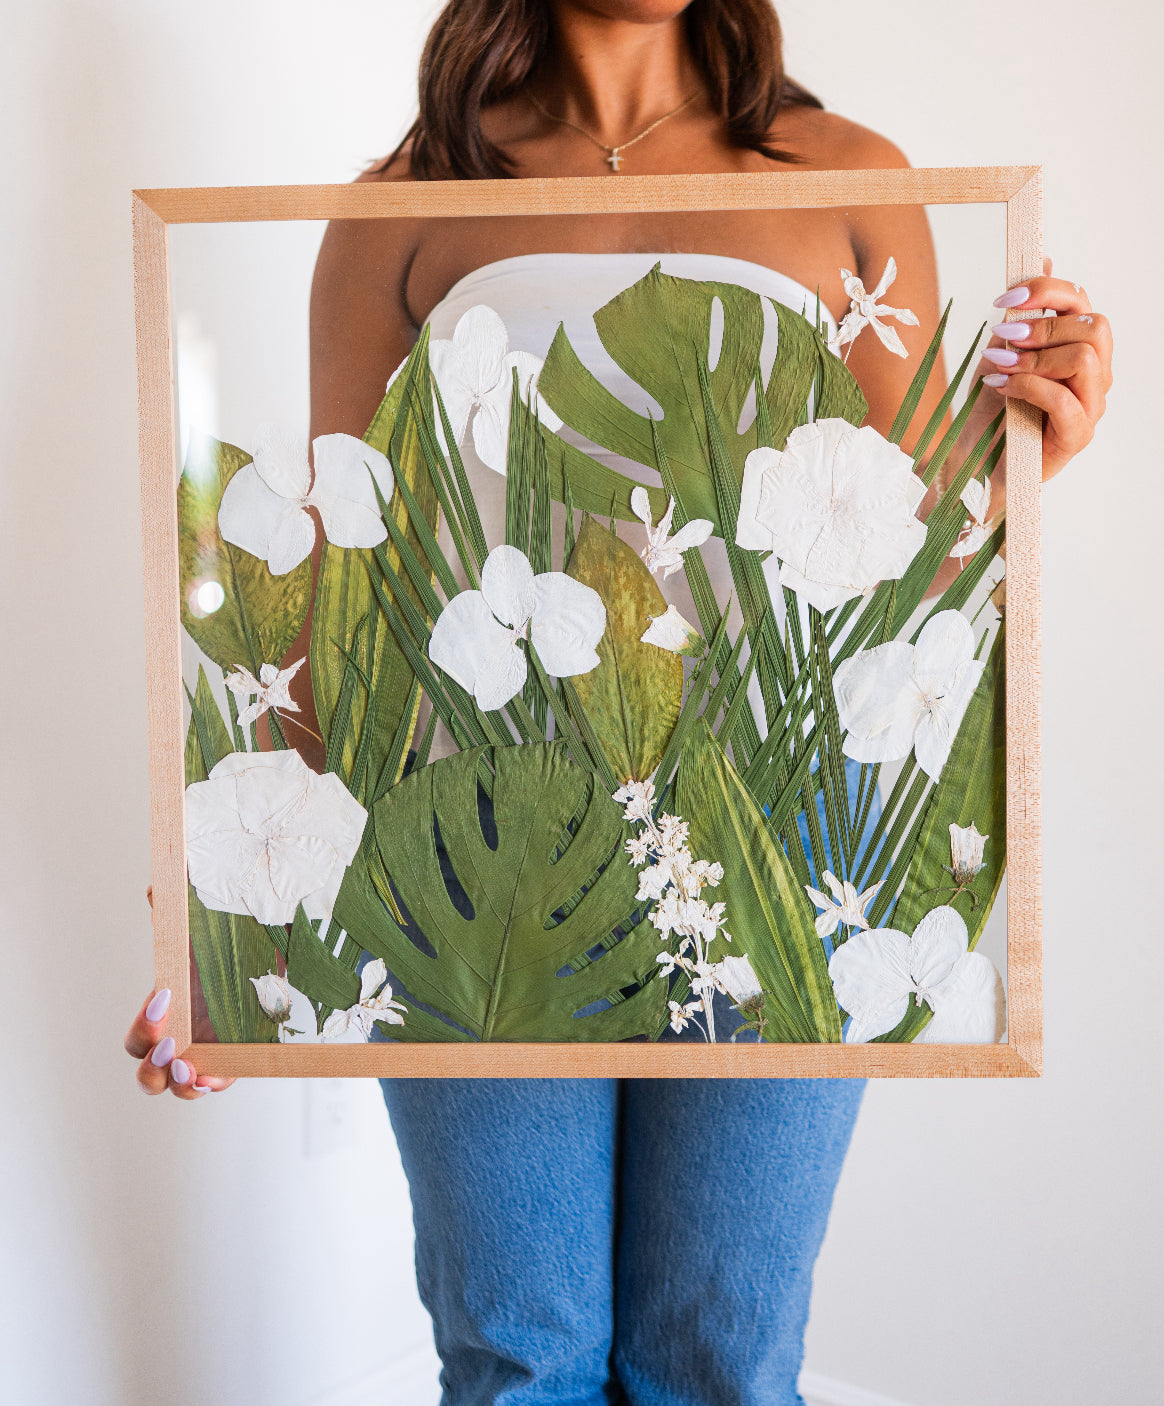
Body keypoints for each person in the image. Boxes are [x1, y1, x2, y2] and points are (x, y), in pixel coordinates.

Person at [126, 2, 1112, 1401]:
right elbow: (338, 615)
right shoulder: (398, 209)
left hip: (781, 840)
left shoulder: (850, 179)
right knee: (520, 1356)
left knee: (722, 1360)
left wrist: (1034, 450)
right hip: (478, 857)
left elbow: (908, 561)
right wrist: (220, 924)